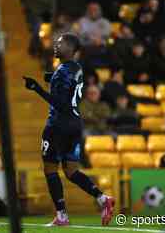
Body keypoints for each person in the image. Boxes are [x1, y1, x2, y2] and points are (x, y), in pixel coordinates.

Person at [23, 33, 114, 226]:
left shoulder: (63, 70)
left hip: (58, 124)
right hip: (75, 124)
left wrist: (37, 88)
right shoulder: (76, 68)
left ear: (71, 49)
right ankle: (102, 198)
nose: (56, 45)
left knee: (50, 168)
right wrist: (51, 77)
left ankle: (62, 215)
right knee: (71, 171)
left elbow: (61, 104)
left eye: (61, 43)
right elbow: (69, 87)